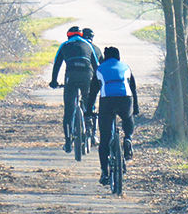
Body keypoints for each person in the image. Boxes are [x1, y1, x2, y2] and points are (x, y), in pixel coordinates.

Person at [48, 25, 100, 151]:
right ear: (81, 35)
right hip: (87, 75)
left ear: (68, 35)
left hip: (71, 76)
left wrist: (54, 81)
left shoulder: (65, 45)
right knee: (89, 102)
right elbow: (96, 65)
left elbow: (57, 65)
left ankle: (67, 142)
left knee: (69, 109)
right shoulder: (88, 45)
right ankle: (91, 130)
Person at [94, 45, 140, 185]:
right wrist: (135, 108)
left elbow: (93, 91)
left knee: (105, 139)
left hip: (107, 101)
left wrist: (89, 110)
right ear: (118, 57)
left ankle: (104, 173)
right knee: (127, 118)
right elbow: (133, 88)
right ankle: (128, 138)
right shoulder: (126, 67)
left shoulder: (100, 69)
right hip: (125, 99)